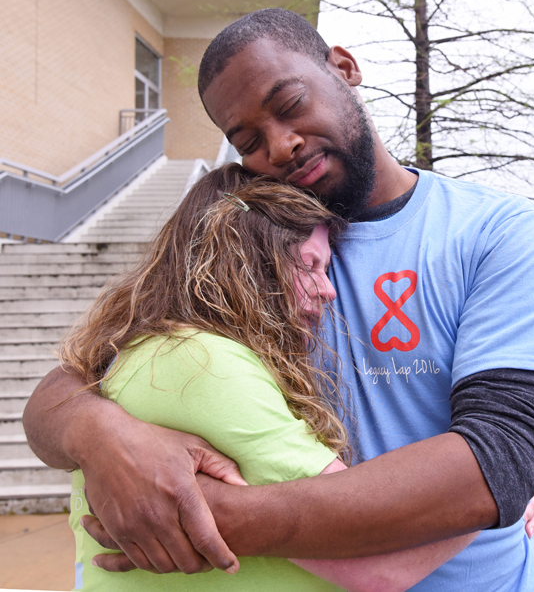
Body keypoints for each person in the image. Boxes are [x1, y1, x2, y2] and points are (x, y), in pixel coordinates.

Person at [23, 8, 534, 591]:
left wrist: (206, 515)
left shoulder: (499, 232)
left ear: (343, 69)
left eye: (290, 105)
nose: (282, 144)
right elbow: (77, 380)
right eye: (248, 141)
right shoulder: (257, 251)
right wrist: (100, 436)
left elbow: (497, 456)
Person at [61, 163, 483, 591]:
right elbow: (377, 565)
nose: (328, 289)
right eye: (310, 265)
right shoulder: (201, 364)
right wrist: (494, 492)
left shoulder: (154, 350)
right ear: (247, 261)